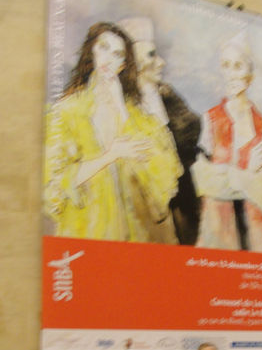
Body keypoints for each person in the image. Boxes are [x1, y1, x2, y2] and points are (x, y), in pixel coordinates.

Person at [44, 22, 182, 243]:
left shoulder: (134, 113)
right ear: (91, 51)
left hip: (137, 231)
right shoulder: (66, 110)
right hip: (87, 230)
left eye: (117, 54)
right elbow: (56, 183)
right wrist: (110, 155)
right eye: (103, 47)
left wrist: (120, 108)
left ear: (123, 65)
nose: (108, 58)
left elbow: (163, 171)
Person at [191, 32, 262, 253]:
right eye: (226, 65)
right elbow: (205, 181)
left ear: (250, 75)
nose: (231, 74)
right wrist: (248, 174)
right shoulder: (210, 119)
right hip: (218, 231)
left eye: (238, 66)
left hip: (258, 235)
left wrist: (238, 176)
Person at [119, 17, 201, 245]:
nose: (161, 63)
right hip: (147, 203)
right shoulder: (122, 107)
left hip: (182, 192)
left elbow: (192, 130)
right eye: (151, 55)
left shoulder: (167, 95)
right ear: (134, 63)